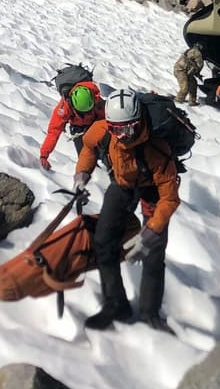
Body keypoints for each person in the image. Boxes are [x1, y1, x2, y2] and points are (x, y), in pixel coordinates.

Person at [72, 88, 181, 332]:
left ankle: (150, 313)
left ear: (139, 121)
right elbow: (88, 147)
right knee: (102, 240)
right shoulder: (104, 131)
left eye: (127, 128)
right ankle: (116, 302)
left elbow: (169, 198)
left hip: (152, 189)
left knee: (154, 254)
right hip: (122, 184)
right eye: (115, 129)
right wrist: (82, 175)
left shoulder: (157, 148)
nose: (122, 135)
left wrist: (151, 232)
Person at [39, 78, 104, 170]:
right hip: (77, 129)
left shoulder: (96, 100)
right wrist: (44, 155)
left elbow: (106, 120)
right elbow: (54, 131)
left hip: (95, 123)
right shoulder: (63, 108)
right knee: (84, 158)